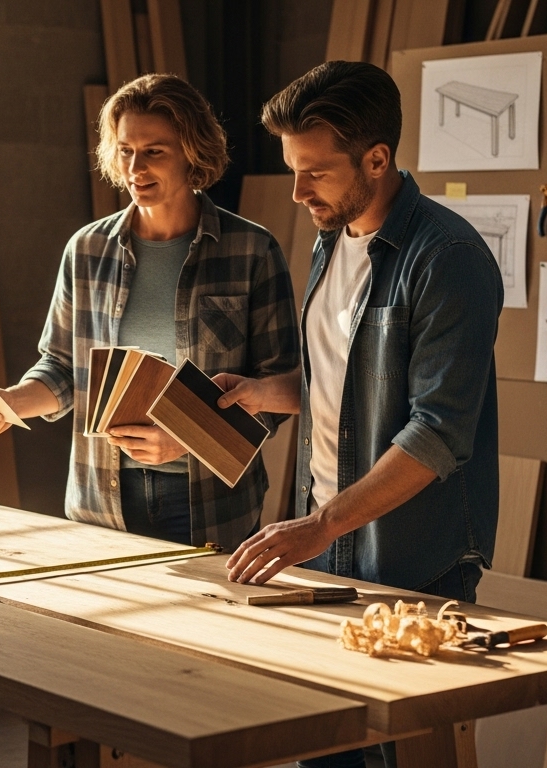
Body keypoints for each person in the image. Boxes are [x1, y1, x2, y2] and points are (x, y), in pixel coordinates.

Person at [215, 61, 503, 768]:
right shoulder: (331, 238)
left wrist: (317, 526)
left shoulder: (448, 258)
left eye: (316, 171)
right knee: (328, 755)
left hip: (413, 561)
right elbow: (344, 386)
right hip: (329, 548)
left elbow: (436, 435)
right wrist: (259, 391)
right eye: (291, 168)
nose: (297, 190)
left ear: (377, 159)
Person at [0, 74, 300, 550]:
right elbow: (63, 367)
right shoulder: (86, 250)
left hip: (208, 504)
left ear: (193, 153)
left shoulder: (252, 251)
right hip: (101, 498)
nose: (135, 168)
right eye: (125, 151)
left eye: (155, 151)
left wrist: (186, 441)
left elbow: (278, 390)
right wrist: (13, 402)